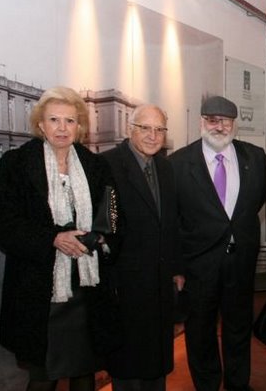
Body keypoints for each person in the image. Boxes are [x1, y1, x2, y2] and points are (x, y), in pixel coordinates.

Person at [0, 86, 119, 391]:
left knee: (84, 371)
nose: (62, 128)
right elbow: (3, 223)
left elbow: (113, 213)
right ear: (41, 124)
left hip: (87, 287)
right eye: (54, 120)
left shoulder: (96, 165)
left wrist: (101, 238)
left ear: (79, 126)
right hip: (40, 290)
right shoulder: (17, 163)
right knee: (43, 377)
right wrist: (53, 238)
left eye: (70, 121)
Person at [170, 95, 266, 391]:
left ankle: (238, 384)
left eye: (226, 121)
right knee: (200, 331)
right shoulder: (178, 163)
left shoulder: (255, 157)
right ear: (202, 122)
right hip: (198, 264)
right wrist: (178, 266)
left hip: (240, 261)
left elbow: (256, 199)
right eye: (212, 120)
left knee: (239, 327)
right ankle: (208, 385)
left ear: (234, 124)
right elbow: (174, 219)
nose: (219, 127)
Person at [102, 104, 184, 390]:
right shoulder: (108, 164)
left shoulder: (166, 167)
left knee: (156, 362)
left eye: (159, 129)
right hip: (125, 284)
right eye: (145, 128)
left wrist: (176, 267)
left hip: (160, 282)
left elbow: (172, 222)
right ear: (130, 129)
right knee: (128, 363)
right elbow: (106, 226)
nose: (153, 135)